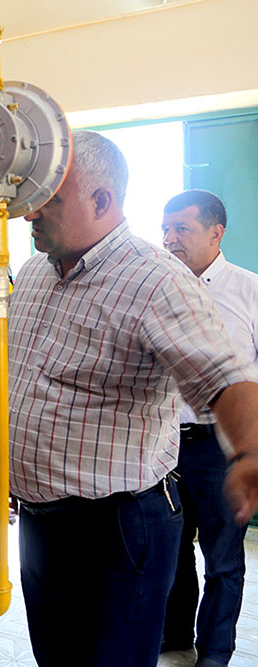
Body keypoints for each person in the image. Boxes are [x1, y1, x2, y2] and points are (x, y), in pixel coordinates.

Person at [8, 130, 258, 667]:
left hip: (117, 529)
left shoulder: (154, 280)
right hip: (39, 523)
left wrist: (250, 449)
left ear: (102, 200)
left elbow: (224, 374)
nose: (30, 211)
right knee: (56, 657)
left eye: (49, 199)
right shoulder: (31, 275)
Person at [160, 190, 258, 667]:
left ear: (216, 233)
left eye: (182, 229)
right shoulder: (160, 289)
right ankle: (174, 635)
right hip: (162, 445)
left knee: (222, 560)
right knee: (171, 551)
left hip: (219, 446)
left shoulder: (249, 291)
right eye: (165, 229)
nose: (169, 239)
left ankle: (216, 653)